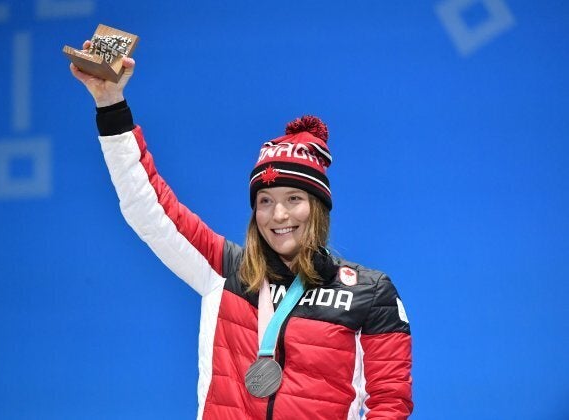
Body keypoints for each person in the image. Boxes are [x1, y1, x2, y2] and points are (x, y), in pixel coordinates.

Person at [71, 43, 413, 419]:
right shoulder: (225, 270)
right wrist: (111, 105)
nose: (278, 214)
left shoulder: (368, 291)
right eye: (264, 201)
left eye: (294, 198)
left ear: (318, 207)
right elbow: (147, 205)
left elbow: (390, 405)